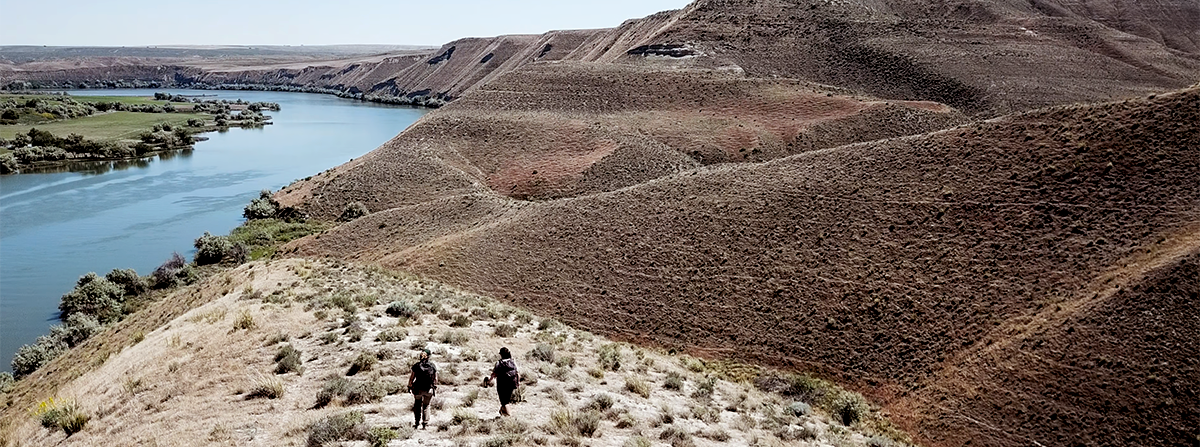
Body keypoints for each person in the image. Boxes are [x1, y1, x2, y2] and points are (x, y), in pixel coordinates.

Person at [408, 348, 437, 429]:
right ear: (428, 357)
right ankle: (425, 424)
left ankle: (417, 423)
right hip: (429, 389)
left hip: (418, 389)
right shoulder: (432, 366)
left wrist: (410, 386)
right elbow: (435, 379)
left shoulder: (416, 366)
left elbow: (411, 378)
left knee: (417, 404)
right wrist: (434, 386)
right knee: (426, 405)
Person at [489, 347, 520, 417]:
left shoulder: (499, 363)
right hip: (511, 383)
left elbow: (494, 374)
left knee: (504, 402)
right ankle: (502, 412)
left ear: (501, 354)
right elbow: (517, 373)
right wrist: (518, 383)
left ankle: (509, 417)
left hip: (502, 384)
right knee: (506, 400)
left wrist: (489, 380)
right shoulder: (512, 362)